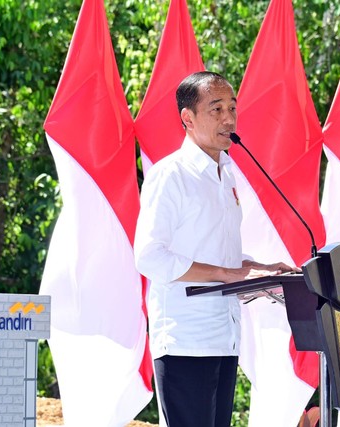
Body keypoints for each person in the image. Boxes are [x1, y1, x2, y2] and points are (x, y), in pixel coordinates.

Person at [134, 71, 296, 427]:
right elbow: (148, 255)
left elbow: (222, 259)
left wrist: (262, 269)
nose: (228, 118)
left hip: (225, 336)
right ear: (187, 119)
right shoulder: (170, 176)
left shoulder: (227, 175)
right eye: (216, 108)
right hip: (185, 340)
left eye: (233, 108)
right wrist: (230, 274)